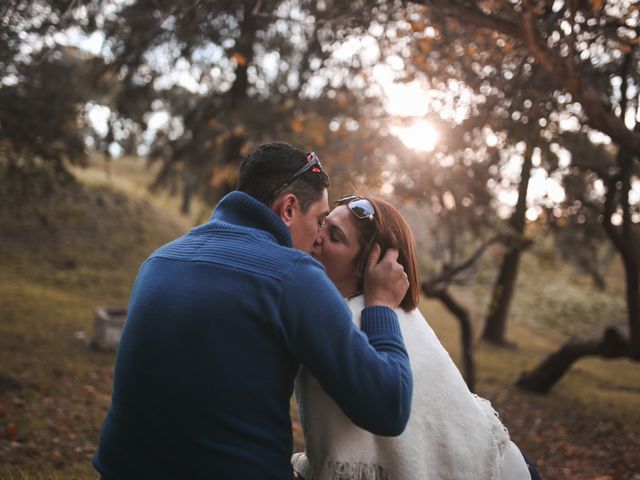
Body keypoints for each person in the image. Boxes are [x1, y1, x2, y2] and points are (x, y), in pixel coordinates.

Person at [93, 143, 414, 480]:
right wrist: (380, 305)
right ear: (288, 208)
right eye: (319, 220)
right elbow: (388, 409)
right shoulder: (293, 275)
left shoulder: (160, 259)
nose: (318, 237)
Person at [292, 194, 541, 480]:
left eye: (334, 236)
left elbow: (338, 459)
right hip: (494, 459)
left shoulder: (343, 320)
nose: (316, 235)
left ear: (369, 265)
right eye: (322, 223)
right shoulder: (391, 309)